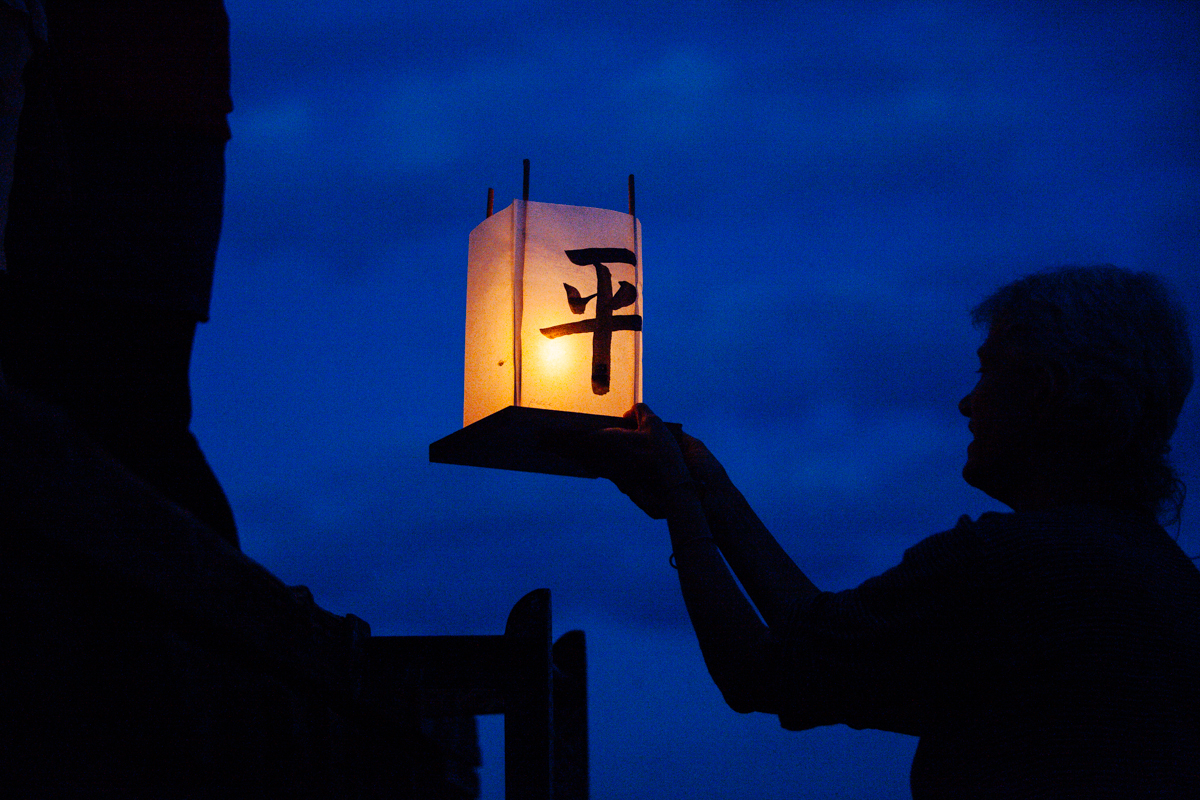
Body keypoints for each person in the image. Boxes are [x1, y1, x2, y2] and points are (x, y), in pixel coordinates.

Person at [583, 266, 1200, 797]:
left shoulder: (1010, 567)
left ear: (1046, 393)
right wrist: (709, 491)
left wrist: (683, 501)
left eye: (987, 373)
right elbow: (820, 636)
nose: (967, 402)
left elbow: (764, 670)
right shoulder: (1167, 585)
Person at [0, 0, 238, 545]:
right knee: (108, 408)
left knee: (130, 410)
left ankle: (226, 612)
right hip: (125, 116)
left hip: (121, 124)